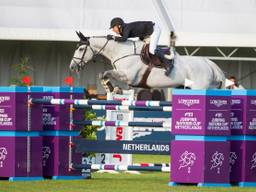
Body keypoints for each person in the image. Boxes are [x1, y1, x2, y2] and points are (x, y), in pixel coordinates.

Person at [107, 17, 173, 75]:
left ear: (119, 26)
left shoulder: (126, 28)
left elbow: (124, 39)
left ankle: (168, 65)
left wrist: (113, 37)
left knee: (152, 50)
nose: (113, 30)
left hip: (154, 30)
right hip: (146, 33)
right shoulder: (123, 30)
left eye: (113, 27)